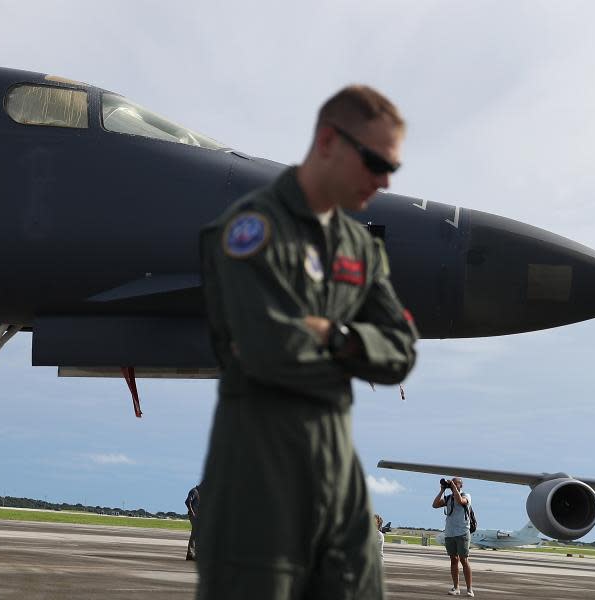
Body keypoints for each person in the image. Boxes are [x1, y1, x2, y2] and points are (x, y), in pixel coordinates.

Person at [196, 85, 418, 599]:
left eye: (393, 170)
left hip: (340, 480)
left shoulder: (360, 247)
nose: (384, 181)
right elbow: (267, 351)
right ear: (326, 142)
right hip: (258, 476)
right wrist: (357, 352)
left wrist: (333, 334)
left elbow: (401, 353)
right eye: (373, 162)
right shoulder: (249, 229)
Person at [432, 477, 473, 597]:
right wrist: (442, 490)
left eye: (456, 483)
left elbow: (461, 501)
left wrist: (453, 487)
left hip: (462, 532)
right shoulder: (449, 498)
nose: (453, 484)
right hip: (450, 533)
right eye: (452, 483)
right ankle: (456, 587)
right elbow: (434, 505)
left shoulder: (467, 496)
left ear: (461, 486)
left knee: (464, 560)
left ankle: (469, 589)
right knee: (453, 560)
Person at [185, 483, 201, 561]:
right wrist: (192, 512)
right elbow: (187, 502)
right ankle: (191, 554)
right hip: (193, 515)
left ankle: (192, 554)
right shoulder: (194, 491)